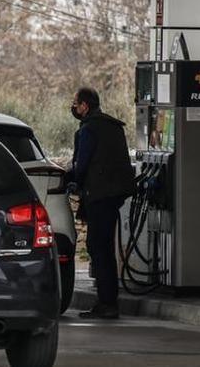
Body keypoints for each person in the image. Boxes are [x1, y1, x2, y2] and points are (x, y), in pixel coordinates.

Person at [68, 87, 135, 320]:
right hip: (114, 196)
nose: (74, 108)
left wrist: (70, 179)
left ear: (85, 105)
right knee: (104, 247)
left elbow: (81, 165)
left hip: (98, 196)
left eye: (76, 104)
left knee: (99, 249)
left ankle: (107, 303)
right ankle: (107, 301)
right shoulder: (114, 126)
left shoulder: (88, 130)